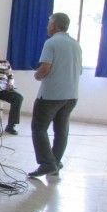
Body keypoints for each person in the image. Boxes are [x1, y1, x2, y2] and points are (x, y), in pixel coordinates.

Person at [29, 12, 83, 178]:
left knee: (39, 128)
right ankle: (55, 162)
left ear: (54, 25)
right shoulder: (76, 44)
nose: (47, 26)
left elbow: (45, 68)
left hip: (51, 96)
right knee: (61, 130)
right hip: (71, 95)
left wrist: (37, 75)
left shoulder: (51, 42)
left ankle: (47, 164)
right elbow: (79, 70)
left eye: (49, 23)